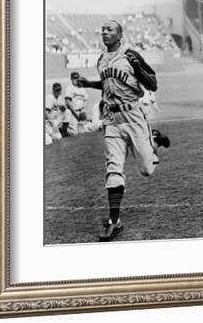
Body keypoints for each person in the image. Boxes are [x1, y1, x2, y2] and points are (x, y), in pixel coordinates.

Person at [78, 19, 170, 242]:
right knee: (113, 170)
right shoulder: (101, 60)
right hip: (112, 119)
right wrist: (90, 84)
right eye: (102, 29)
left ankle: (154, 140)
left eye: (109, 29)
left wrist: (138, 68)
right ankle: (114, 221)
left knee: (147, 170)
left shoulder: (131, 55)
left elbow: (153, 84)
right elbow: (108, 82)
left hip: (134, 116)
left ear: (120, 35)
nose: (104, 32)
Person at [64, 71, 89, 136]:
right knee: (74, 133)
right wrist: (76, 115)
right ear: (71, 79)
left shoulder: (82, 88)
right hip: (73, 113)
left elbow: (85, 100)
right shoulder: (69, 88)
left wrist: (84, 111)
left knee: (82, 133)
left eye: (77, 78)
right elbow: (68, 103)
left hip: (81, 113)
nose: (76, 79)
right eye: (74, 78)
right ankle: (64, 130)